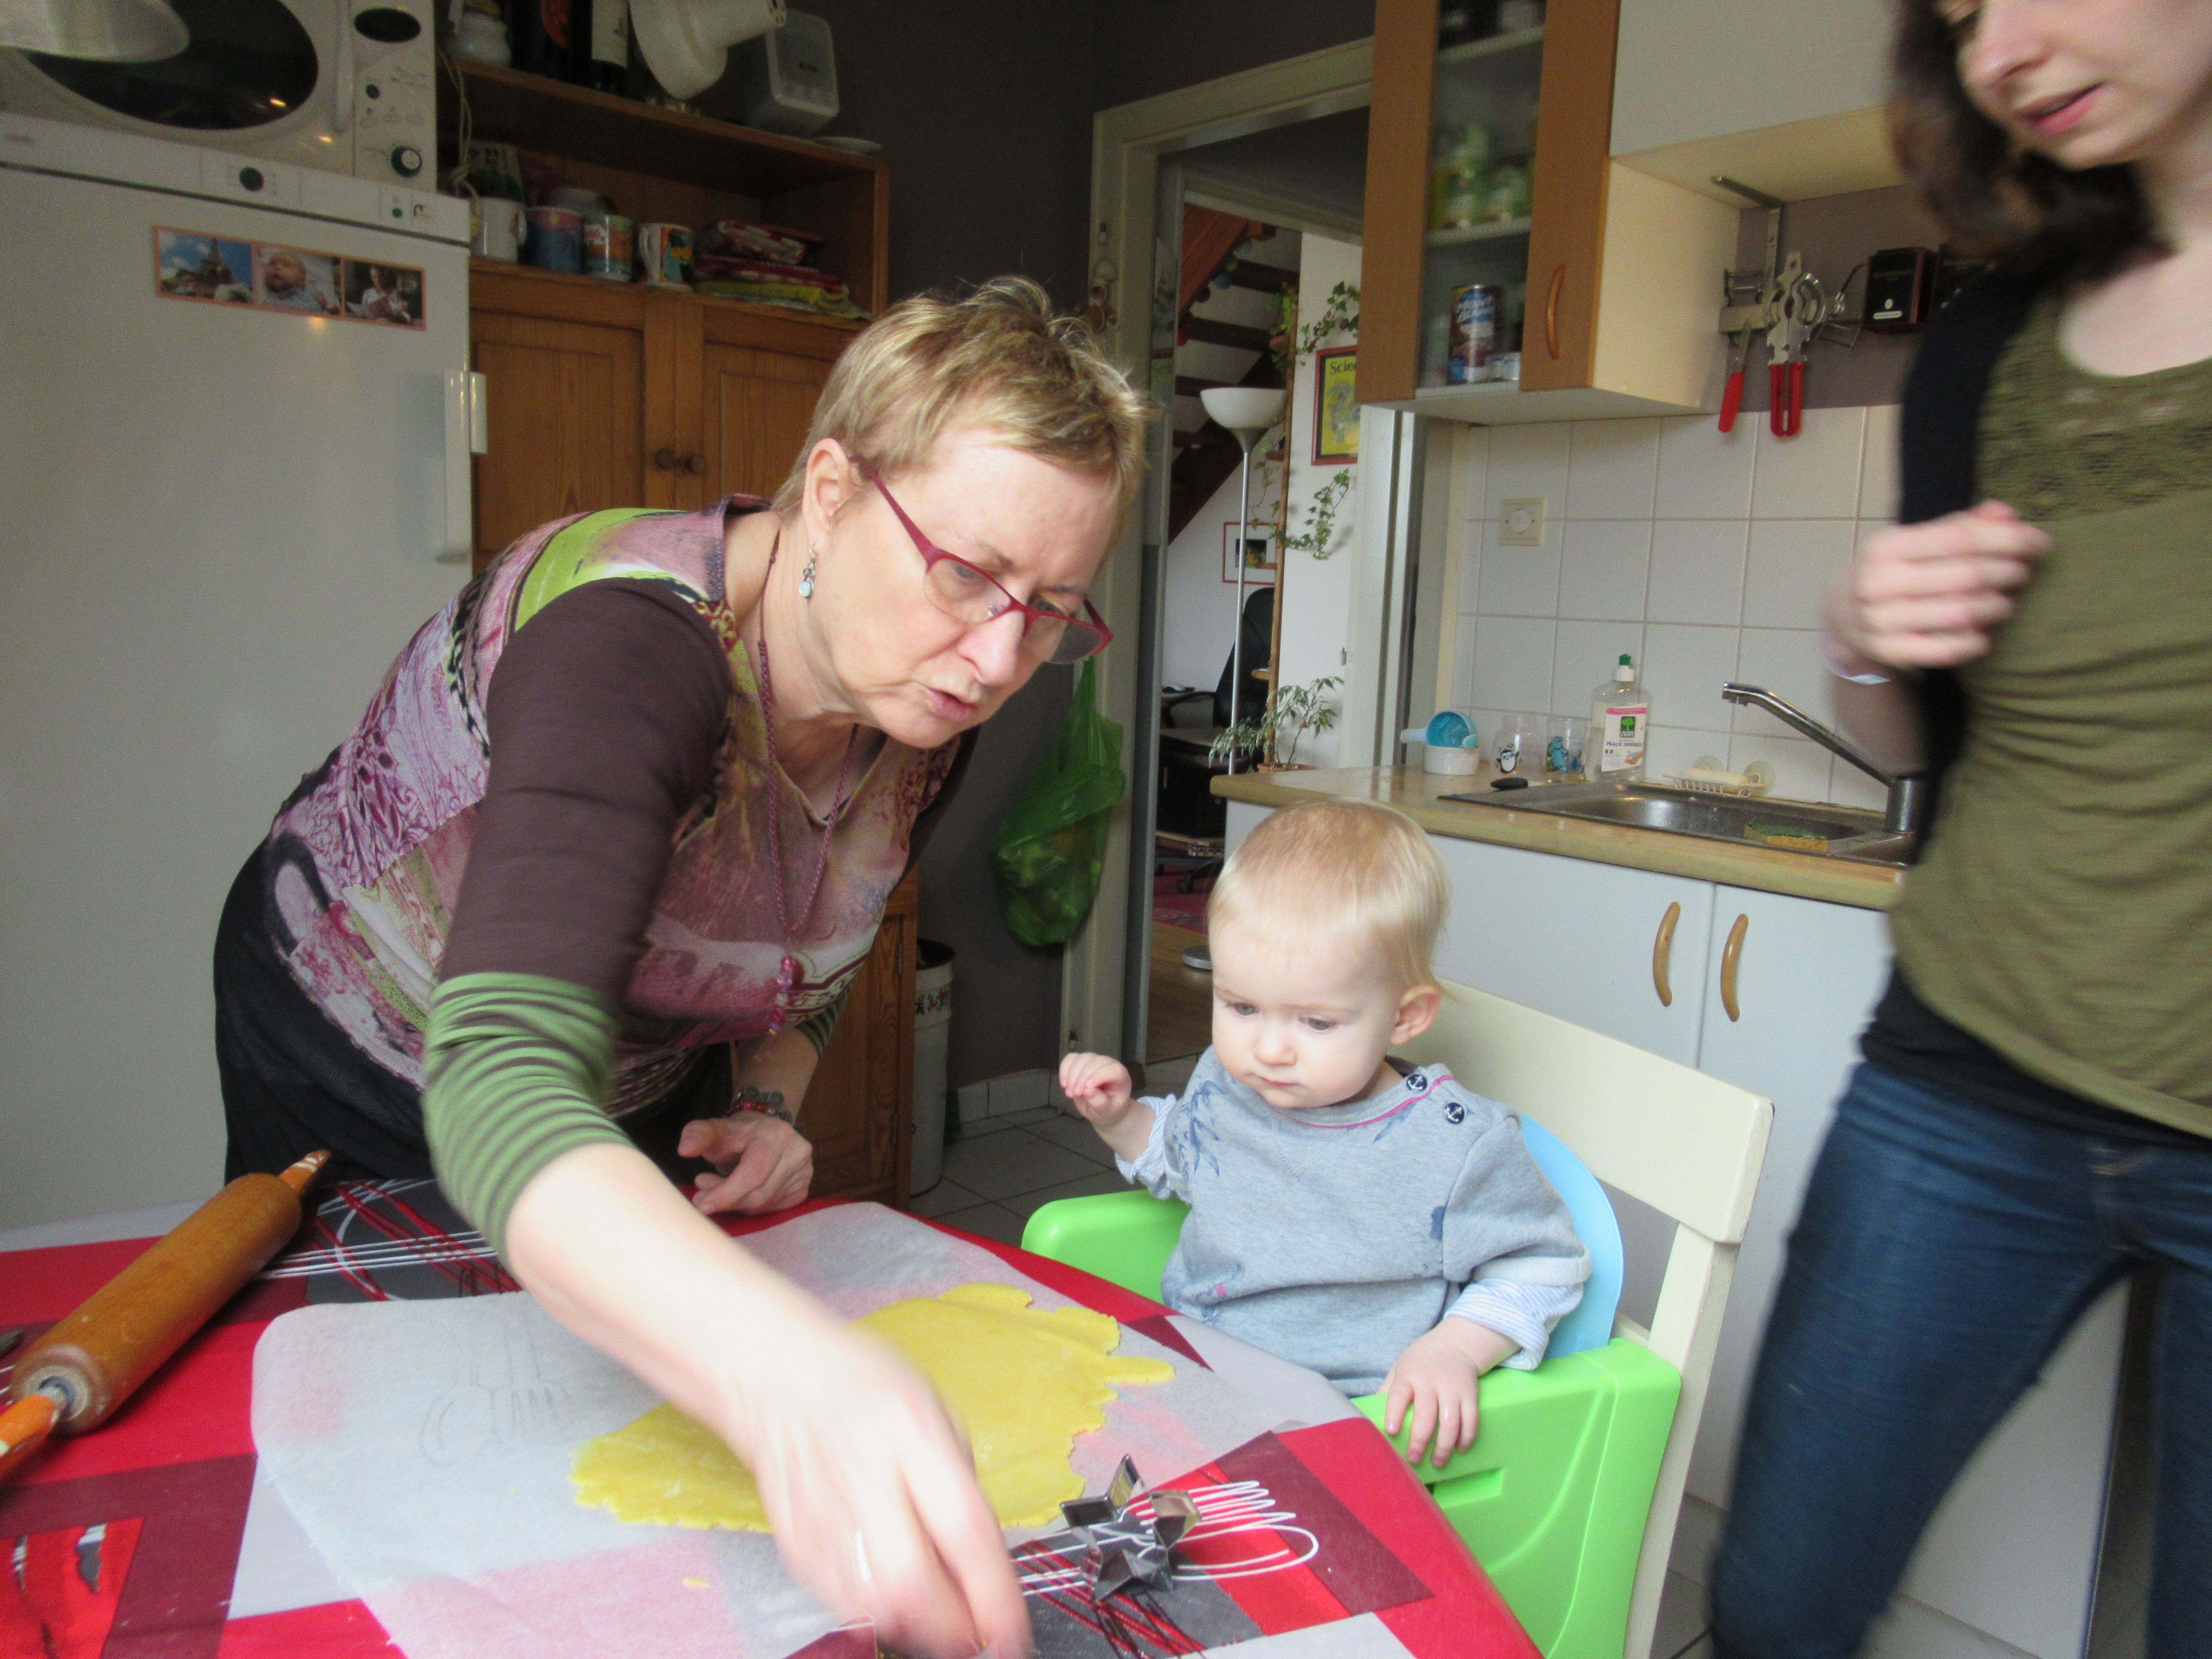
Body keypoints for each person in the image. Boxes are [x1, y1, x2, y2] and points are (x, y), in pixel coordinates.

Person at [213, 277, 1150, 1659]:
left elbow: (818, 934)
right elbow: (503, 1083)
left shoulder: (924, 699)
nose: (1002, 654)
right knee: (412, 1445)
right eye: (967, 571)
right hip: (370, 1049)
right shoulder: (626, 646)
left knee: (613, 1437)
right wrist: (790, 1379)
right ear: (829, 490)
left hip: (621, 1067)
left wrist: (770, 1097)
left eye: (1053, 607)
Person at [1708, 2, 2212, 1654]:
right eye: (1960, 13)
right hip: (1966, 1072)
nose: (1999, 51)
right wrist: (1864, 638)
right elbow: (1928, 741)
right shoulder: (1991, 338)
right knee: (1778, 1603)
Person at [1059, 800, 1589, 1469]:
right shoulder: (1229, 1082)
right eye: (1242, 1006)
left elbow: (1543, 1265)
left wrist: (1456, 1348)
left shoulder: (1454, 1144)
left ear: (1405, 1017)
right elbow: (1183, 1158)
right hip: (1198, 1379)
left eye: (1316, 1023)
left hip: (1348, 1419)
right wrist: (1122, 1120)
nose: (1269, 1050)